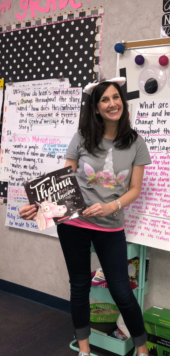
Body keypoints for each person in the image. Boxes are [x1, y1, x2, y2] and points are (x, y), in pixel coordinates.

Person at [19, 76, 151, 356]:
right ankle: (84, 349)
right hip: (74, 224)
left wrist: (111, 207)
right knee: (79, 286)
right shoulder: (81, 137)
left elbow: (135, 189)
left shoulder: (136, 142)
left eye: (116, 98)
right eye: (104, 99)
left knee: (121, 290)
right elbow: (63, 182)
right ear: (95, 107)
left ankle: (142, 350)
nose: (111, 103)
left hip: (111, 226)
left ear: (123, 103)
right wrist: (38, 207)